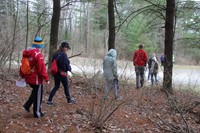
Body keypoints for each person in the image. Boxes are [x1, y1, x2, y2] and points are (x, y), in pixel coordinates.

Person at [20, 36, 49, 118]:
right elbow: (41, 68)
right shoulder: (38, 54)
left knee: (35, 92)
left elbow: (23, 65)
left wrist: (22, 75)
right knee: (38, 95)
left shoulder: (27, 52)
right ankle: (37, 113)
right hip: (36, 79)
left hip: (28, 77)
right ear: (40, 46)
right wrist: (46, 78)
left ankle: (27, 105)